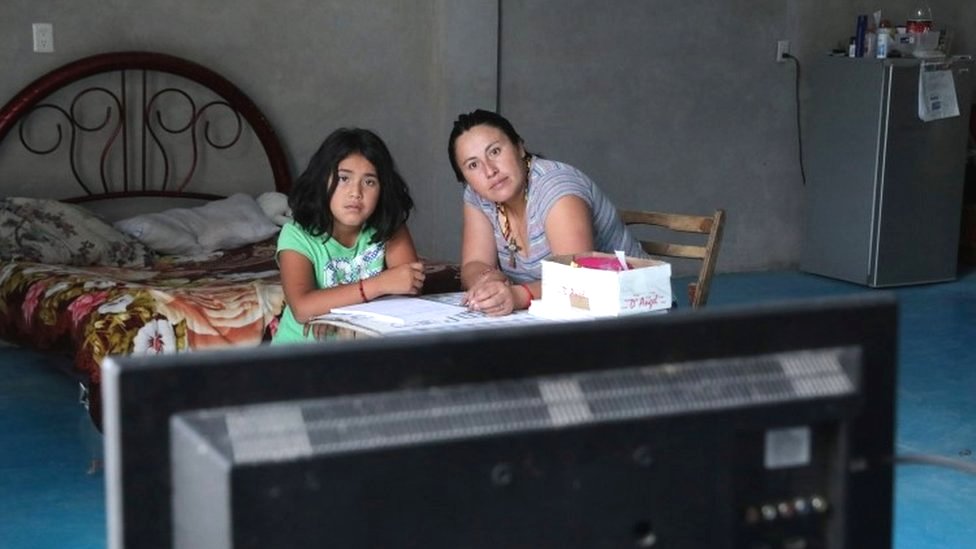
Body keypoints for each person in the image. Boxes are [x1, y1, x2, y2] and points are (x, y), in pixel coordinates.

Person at [448, 109, 647, 316]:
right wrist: (487, 280)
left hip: (635, 310)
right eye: (473, 165)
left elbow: (576, 280)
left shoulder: (557, 188)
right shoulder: (479, 195)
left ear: (519, 147)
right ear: (465, 179)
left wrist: (517, 295)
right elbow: (474, 263)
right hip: (557, 317)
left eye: (495, 152)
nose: (489, 171)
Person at [272, 128, 425, 344]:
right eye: (344, 178)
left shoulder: (389, 227)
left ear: (383, 189)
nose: (356, 192)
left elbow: (409, 287)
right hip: (297, 360)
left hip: (361, 357)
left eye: (369, 182)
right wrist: (379, 284)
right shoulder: (296, 235)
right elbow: (303, 308)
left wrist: (338, 313)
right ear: (322, 180)